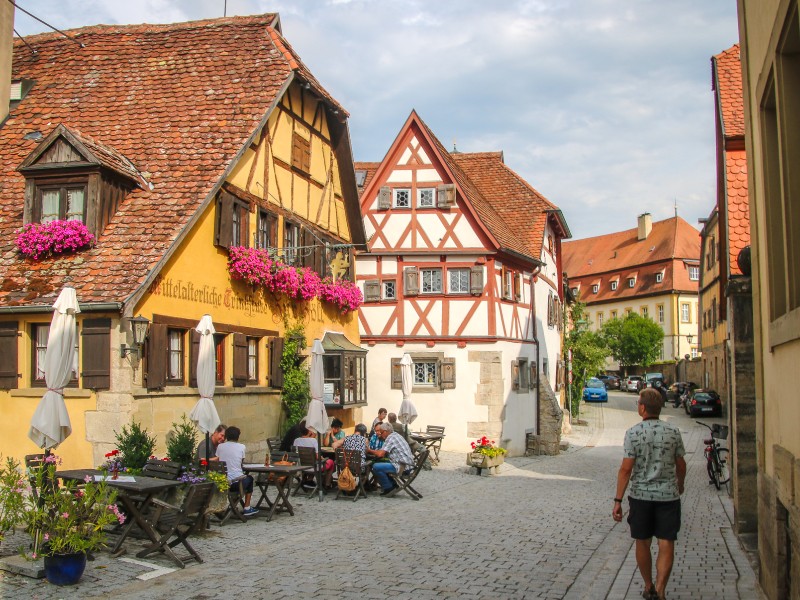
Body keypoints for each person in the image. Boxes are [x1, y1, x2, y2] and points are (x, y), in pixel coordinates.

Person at [613, 388, 686, 600]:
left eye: (638, 404)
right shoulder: (673, 431)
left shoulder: (633, 433)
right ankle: (662, 589)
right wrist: (679, 485)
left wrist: (618, 500)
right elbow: (681, 465)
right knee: (666, 542)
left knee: (642, 541)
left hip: (640, 497)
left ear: (642, 408)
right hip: (668, 497)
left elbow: (626, 469)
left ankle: (648, 586)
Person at [214, 426, 258, 516]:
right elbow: (240, 463)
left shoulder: (220, 447)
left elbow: (219, 459)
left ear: (226, 436)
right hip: (236, 483)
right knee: (250, 479)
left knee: (245, 478)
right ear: (238, 437)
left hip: (223, 482)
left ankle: (232, 505)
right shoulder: (241, 447)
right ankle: (247, 507)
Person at [368, 422, 416, 496]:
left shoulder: (391, 437)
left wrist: (369, 450)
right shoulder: (395, 435)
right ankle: (392, 485)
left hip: (403, 467)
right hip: (407, 465)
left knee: (376, 466)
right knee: (380, 465)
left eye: (381, 432)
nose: (380, 434)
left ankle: (388, 488)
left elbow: (380, 454)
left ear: (386, 431)